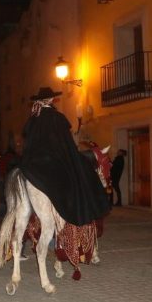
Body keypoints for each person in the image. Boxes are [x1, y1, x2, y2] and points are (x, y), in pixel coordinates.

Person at [19, 87, 109, 226]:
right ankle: (83, 209)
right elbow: (65, 143)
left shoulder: (33, 118)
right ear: (51, 99)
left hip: (31, 161)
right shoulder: (57, 117)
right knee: (83, 167)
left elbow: (28, 142)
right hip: (54, 157)